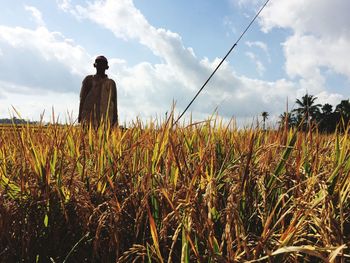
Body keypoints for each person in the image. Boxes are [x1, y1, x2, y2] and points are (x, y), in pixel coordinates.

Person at [78, 56, 118, 127]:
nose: (101, 66)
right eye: (99, 64)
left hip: (106, 120)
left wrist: (115, 120)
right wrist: (80, 115)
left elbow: (114, 102)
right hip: (89, 119)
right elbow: (82, 99)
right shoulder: (88, 80)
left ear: (106, 67)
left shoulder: (111, 83)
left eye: (103, 64)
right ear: (95, 66)